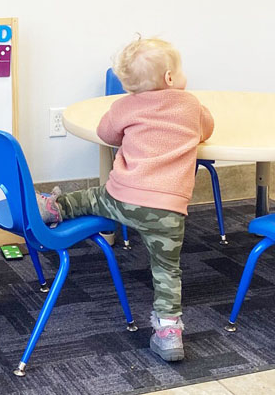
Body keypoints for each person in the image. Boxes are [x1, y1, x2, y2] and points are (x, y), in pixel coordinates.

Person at [36, 37, 214, 362]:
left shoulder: (125, 105)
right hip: (168, 210)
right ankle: (169, 333)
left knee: (90, 197)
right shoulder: (189, 105)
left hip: (122, 198)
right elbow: (207, 129)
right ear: (171, 78)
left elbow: (106, 134)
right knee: (166, 270)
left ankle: (53, 207)